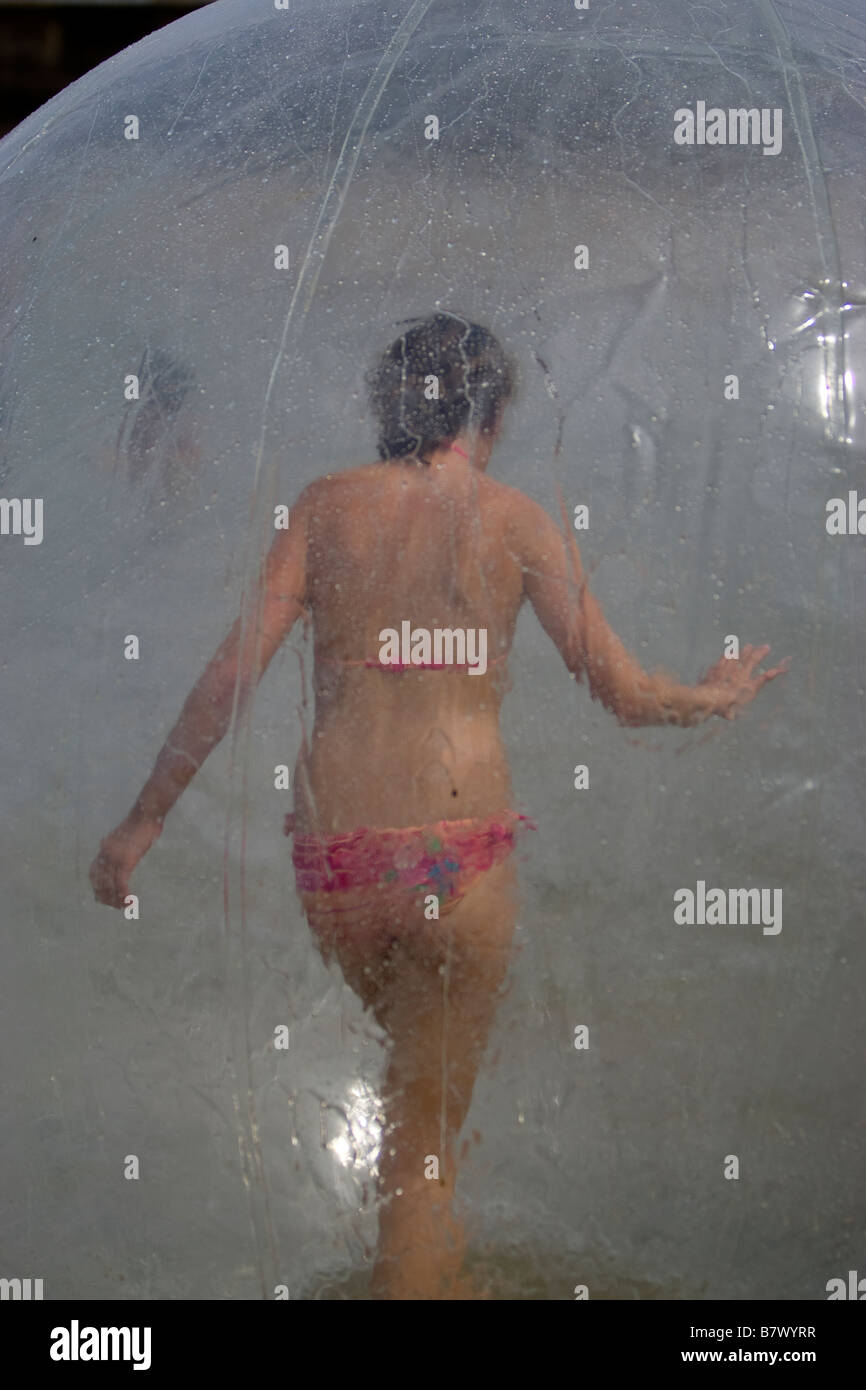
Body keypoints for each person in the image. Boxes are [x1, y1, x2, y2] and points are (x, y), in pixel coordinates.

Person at [90, 312, 787, 1299]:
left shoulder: (326, 506)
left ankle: (439, 1275)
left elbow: (229, 675)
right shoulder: (512, 520)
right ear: (488, 416)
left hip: (333, 866)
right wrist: (710, 695)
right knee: (423, 1140)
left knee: (410, 1100)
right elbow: (623, 694)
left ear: (389, 407)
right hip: (453, 859)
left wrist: (145, 818)